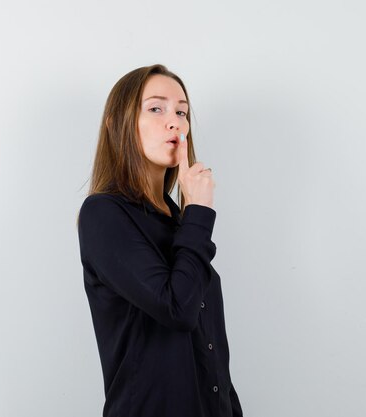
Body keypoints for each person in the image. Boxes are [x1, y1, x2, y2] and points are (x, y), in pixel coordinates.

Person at [77, 64, 243, 417]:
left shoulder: (181, 225)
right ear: (118, 124)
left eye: (182, 111)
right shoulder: (103, 214)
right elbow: (177, 309)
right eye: (156, 108)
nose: (176, 122)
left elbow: (211, 353)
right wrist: (198, 210)